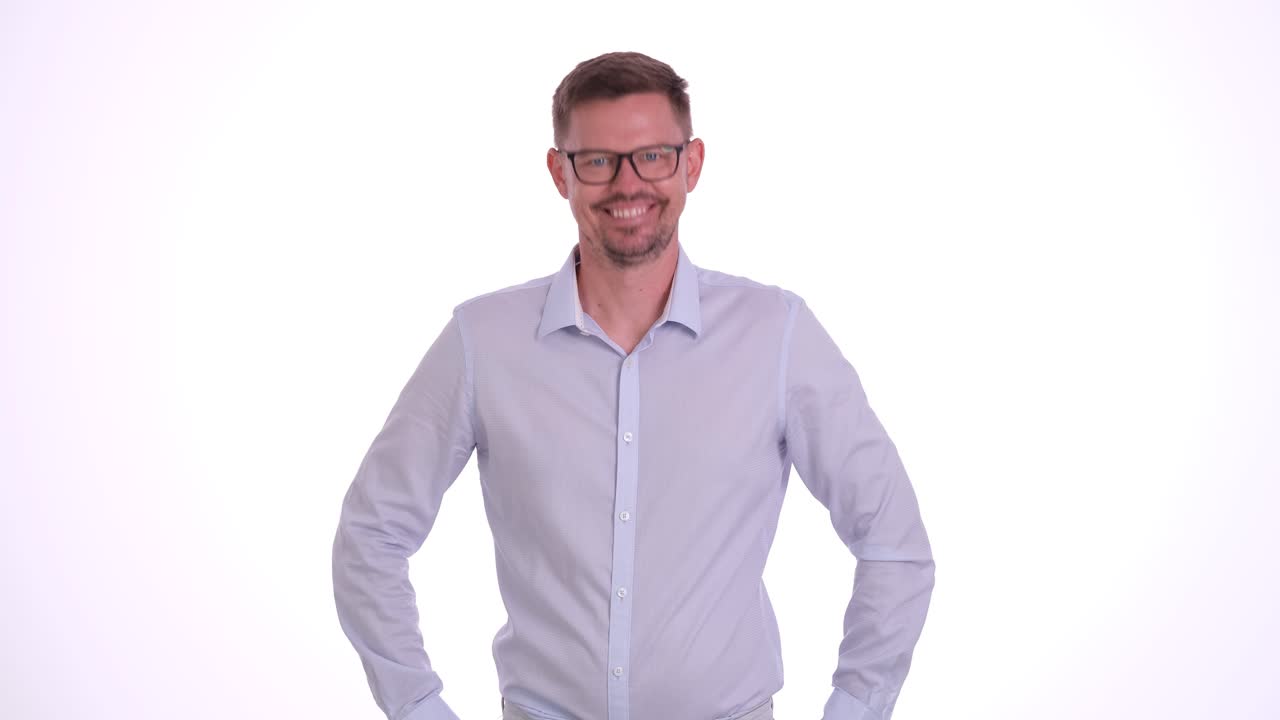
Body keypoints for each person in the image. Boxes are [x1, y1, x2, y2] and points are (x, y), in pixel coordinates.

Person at [332, 51, 934, 720]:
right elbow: (371, 535)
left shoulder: (776, 335)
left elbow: (893, 542)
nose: (628, 184)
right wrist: (417, 708)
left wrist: (855, 708)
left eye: (652, 156)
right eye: (598, 160)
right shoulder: (483, 342)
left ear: (692, 164)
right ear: (560, 172)